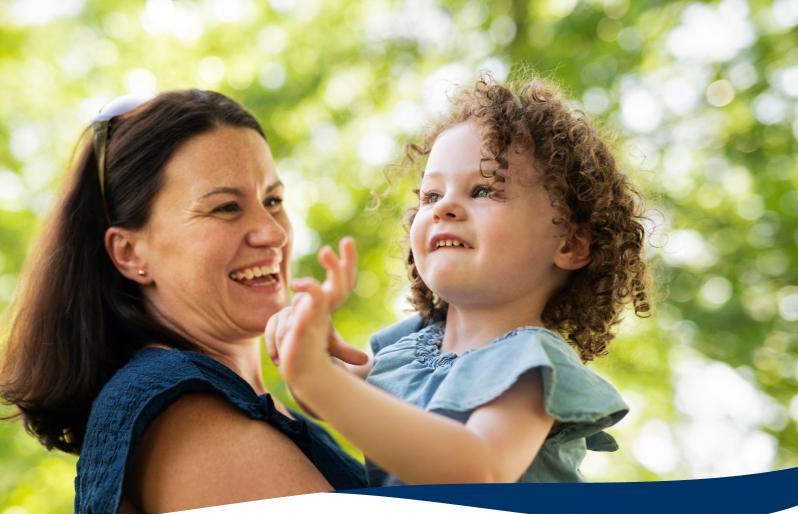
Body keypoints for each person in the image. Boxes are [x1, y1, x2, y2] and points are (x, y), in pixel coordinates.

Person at [0, 89, 368, 514]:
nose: (273, 233)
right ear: (131, 254)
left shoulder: (240, 402)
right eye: (226, 207)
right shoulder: (184, 410)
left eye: (273, 201)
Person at [266, 74, 651, 486]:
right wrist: (300, 343)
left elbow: (476, 469)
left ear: (571, 244)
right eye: (430, 196)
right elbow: (329, 400)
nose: (444, 207)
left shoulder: (534, 364)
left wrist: (317, 377)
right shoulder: (408, 349)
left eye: (484, 190)